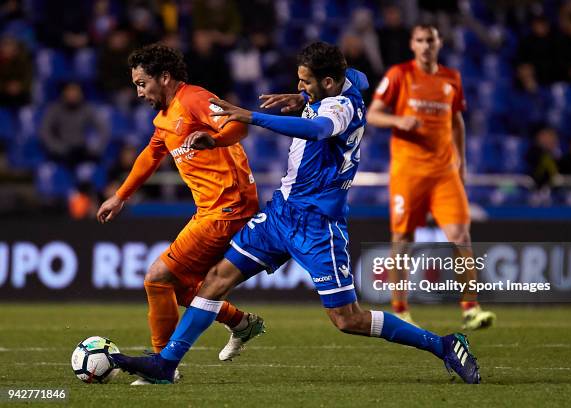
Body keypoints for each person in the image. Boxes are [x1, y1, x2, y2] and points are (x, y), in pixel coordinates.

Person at [110, 42, 481, 385]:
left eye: (306, 81)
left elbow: (317, 128)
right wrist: (303, 95)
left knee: (346, 319)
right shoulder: (343, 81)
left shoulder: (341, 108)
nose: (300, 85)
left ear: (330, 82)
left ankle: (444, 344)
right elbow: (360, 77)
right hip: (280, 215)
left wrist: (253, 117)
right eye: (299, 80)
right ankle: (167, 362)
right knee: (215, 279)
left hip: (317, 224)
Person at [96, 44, 264, 384]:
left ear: (165, 77)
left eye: (143, 83)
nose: (139, 92)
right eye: (136, 86)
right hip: (211, 209)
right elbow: (149, 156)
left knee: (157, 277)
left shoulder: (195, 99)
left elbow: (240, 126)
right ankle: (241, 323)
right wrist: (120, 196)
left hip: (228, 208)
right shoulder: (165, 117)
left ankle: (161, 367)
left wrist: (215, 140)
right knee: (180, 286)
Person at [366, 24, 495, 329]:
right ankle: (400, 310)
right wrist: (399, 120)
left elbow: (457, 123)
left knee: (462, 237)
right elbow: (373, 114)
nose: (426, 46)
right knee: (402, 239)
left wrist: (460, 165)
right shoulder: (399, 75)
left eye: (431, 41)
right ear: (412, 44)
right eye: (421, 40)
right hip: (409, 172)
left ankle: (471, 309)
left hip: (444, 173)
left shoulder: (452, 78)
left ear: (439, 44)